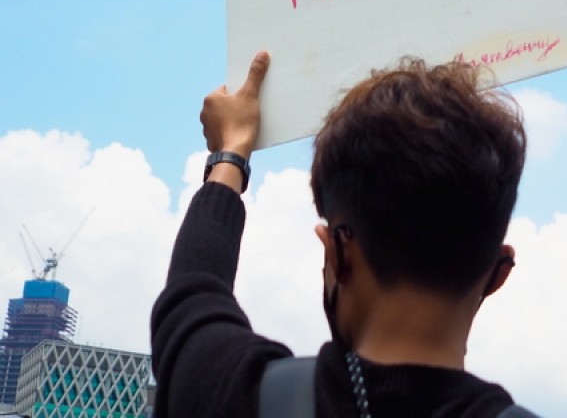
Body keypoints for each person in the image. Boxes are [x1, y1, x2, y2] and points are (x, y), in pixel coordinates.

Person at [151, 52, 533, 417]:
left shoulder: (239, 395)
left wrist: (231, 152)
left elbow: (191, 297)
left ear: (336, 253)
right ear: (499, 273)